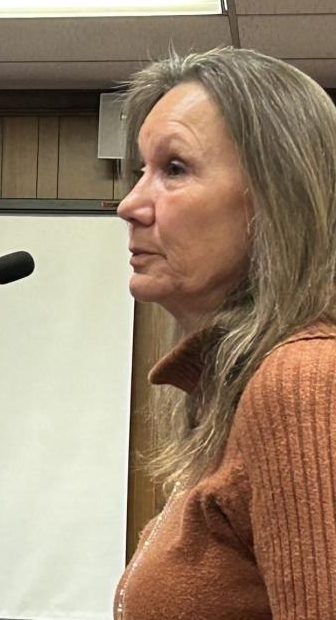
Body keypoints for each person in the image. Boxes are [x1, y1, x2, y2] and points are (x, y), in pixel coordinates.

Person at [113, 47, 336, 618]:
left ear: (277, 199)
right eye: (142, 170)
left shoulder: (304, 383)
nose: (130, 204)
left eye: (175, 169)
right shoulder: (239, 393)